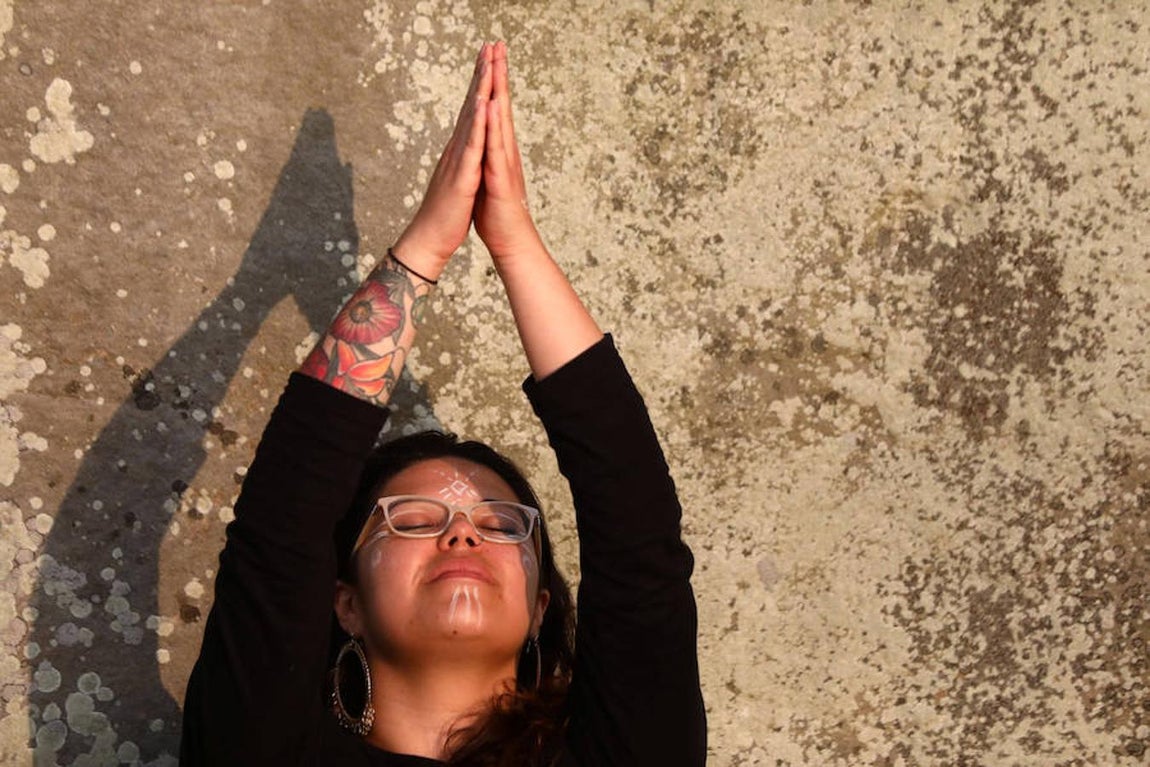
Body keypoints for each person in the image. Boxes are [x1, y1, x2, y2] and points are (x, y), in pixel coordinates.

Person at [180, 41, 706, 766]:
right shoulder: (260, 745)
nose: (462, 535)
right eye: (414, 520)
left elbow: (638, 532)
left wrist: (515, 240)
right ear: (346, 602)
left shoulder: (623, 754)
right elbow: (279, 530)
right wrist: (425, 247)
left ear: (541, 610)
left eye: (500, 526)